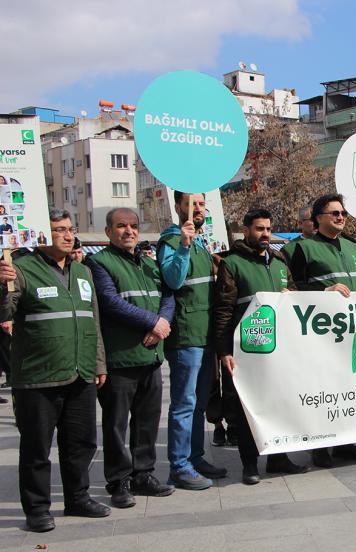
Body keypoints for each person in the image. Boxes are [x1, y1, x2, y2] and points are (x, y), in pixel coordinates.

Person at [0, 209, 110, 532]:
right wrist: (1, 286)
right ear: (41, 236)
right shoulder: (21, 269)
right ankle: (37, 508)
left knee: (81, 442)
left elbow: (93, 321)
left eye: (69, 228)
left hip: (81, 372)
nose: (67, 234)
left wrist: (98, 362)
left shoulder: (83, 271)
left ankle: (78, 498)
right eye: (59, 230)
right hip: (38, 376)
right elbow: (4, 313)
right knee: (37, 447)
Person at [85, 208, 175, 508]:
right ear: (108, 231)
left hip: (150, 356)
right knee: (116, 425)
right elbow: (110, 302)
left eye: (134, 226)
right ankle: (118, 481)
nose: (129, 231)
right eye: (121, 226)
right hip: (121, 359)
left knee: (147, 422)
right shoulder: (99, 263)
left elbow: (168, 295)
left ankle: (143, 474)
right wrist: (152, 322)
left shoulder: (149, 263)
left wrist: (162, 323)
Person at [213, 209, 309, 484]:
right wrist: (224, 351)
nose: (265, 234)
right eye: (259, 229)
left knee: (278, 404)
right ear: (245, 231)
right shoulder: (232, 264)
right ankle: (249, 464)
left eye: (268, 229)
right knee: (248, 410)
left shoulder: (279, 262)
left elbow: (294, 297)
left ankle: (278, 458)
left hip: (279, 349)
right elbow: (223, 310)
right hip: (247, 350)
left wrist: (291, 295)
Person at [289, 193, 356, 468]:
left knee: (348, 388)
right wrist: (324, 290)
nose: (340, 217)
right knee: (322, 391)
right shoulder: (303, 249)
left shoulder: (352, 247)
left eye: (343, 213)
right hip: (320, 335)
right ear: (318, 218)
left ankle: (344, 442)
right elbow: (290, 288)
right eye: (334, 213)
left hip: (352, 332)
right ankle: (320, 446)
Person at [157, 192, 227, 490]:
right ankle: (179, 466)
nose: (198, 209)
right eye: (191, 204)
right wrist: (184, 246)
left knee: (198, 403)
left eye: (201, 204)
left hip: (206, 333)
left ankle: (195, 458)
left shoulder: (201, 241)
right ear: (178, 207)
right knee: (184, 403)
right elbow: (173, 280)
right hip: (186, 336)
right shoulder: (172, 240)